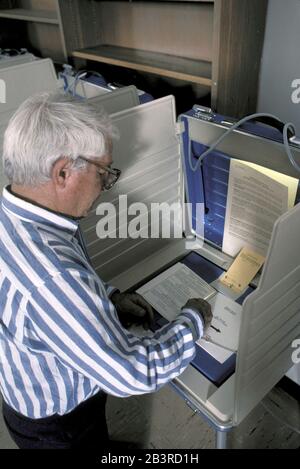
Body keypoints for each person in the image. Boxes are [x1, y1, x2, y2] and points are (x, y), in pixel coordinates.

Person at [0, 92, 212, 449]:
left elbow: (51, 303)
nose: (106, 185)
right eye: (104, 173)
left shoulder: (19, 214)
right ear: (63, 172)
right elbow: (131, 373)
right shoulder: (53, 277)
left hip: (25, 390)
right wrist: (195, 319)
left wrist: (109, 298)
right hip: (60, 424)